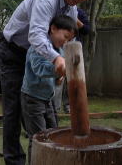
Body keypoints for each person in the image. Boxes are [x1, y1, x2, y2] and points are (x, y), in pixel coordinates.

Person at [0, 0, 98, 164]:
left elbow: (66, 39)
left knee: (46, 107)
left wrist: (67, 61)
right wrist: (57, 59)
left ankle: (47, 156)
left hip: (37, 56)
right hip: (13, 53)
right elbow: (36, 36)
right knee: (13, 110)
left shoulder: (72, 9)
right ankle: (14, 160)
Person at [21, 15, 77, 164]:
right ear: (53, 29)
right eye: (65, 36)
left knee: (54, 132)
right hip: (32, 98)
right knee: (38, 138)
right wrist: (58, 70)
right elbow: (39, 68)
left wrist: (59, 77)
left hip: (47, 98)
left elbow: (58, 72)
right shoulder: (37, 47)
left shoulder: (59, 49)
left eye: (69, 39)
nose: (65, 41)